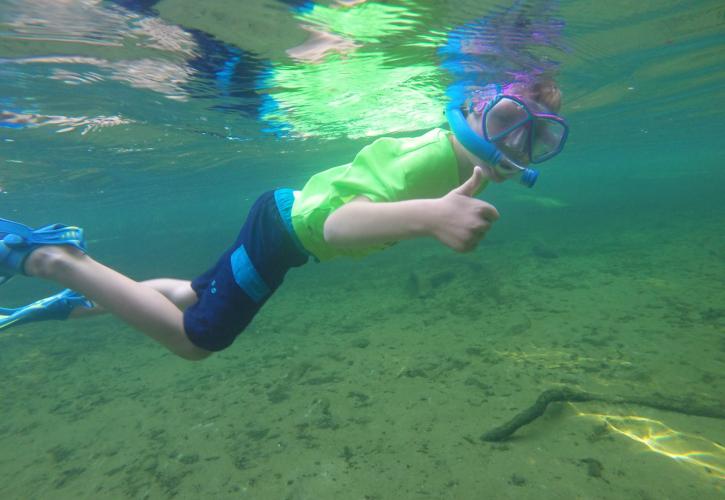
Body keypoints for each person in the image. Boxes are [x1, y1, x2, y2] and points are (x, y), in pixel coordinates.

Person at [0, 77, 568, 361]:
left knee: (193, 295)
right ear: (472, 107)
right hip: (284, 230)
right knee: (198, 340)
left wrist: (434, 211)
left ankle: (52, 308)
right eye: (508, 118)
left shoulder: (450, 162)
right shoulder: (432, 157)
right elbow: (338, 226)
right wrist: (432, 216)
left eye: (535, 135)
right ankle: (54, 261)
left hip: (286, 230)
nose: (515, 141)